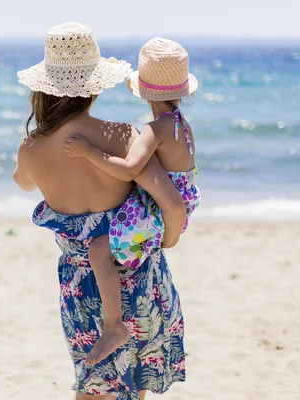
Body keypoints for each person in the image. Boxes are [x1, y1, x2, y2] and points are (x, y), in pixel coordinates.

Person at [13, 23, 187, 399]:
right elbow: (172, 201)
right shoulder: (126, 137)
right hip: (140, 271)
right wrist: (168, 241)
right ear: (96, 85)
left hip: (81, 284)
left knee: (91, 383)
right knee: (134, 386)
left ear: (45, 87)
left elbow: (24, 183)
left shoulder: (31, 147)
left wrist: (32, 149)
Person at [62, 37, 201, 364]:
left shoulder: (155, 128)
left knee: (98, 249)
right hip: (181, 195)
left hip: (162, 205)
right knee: (108, 246)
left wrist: (88, 151)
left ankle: (114, 327)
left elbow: (127, 170)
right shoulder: (180, 124)